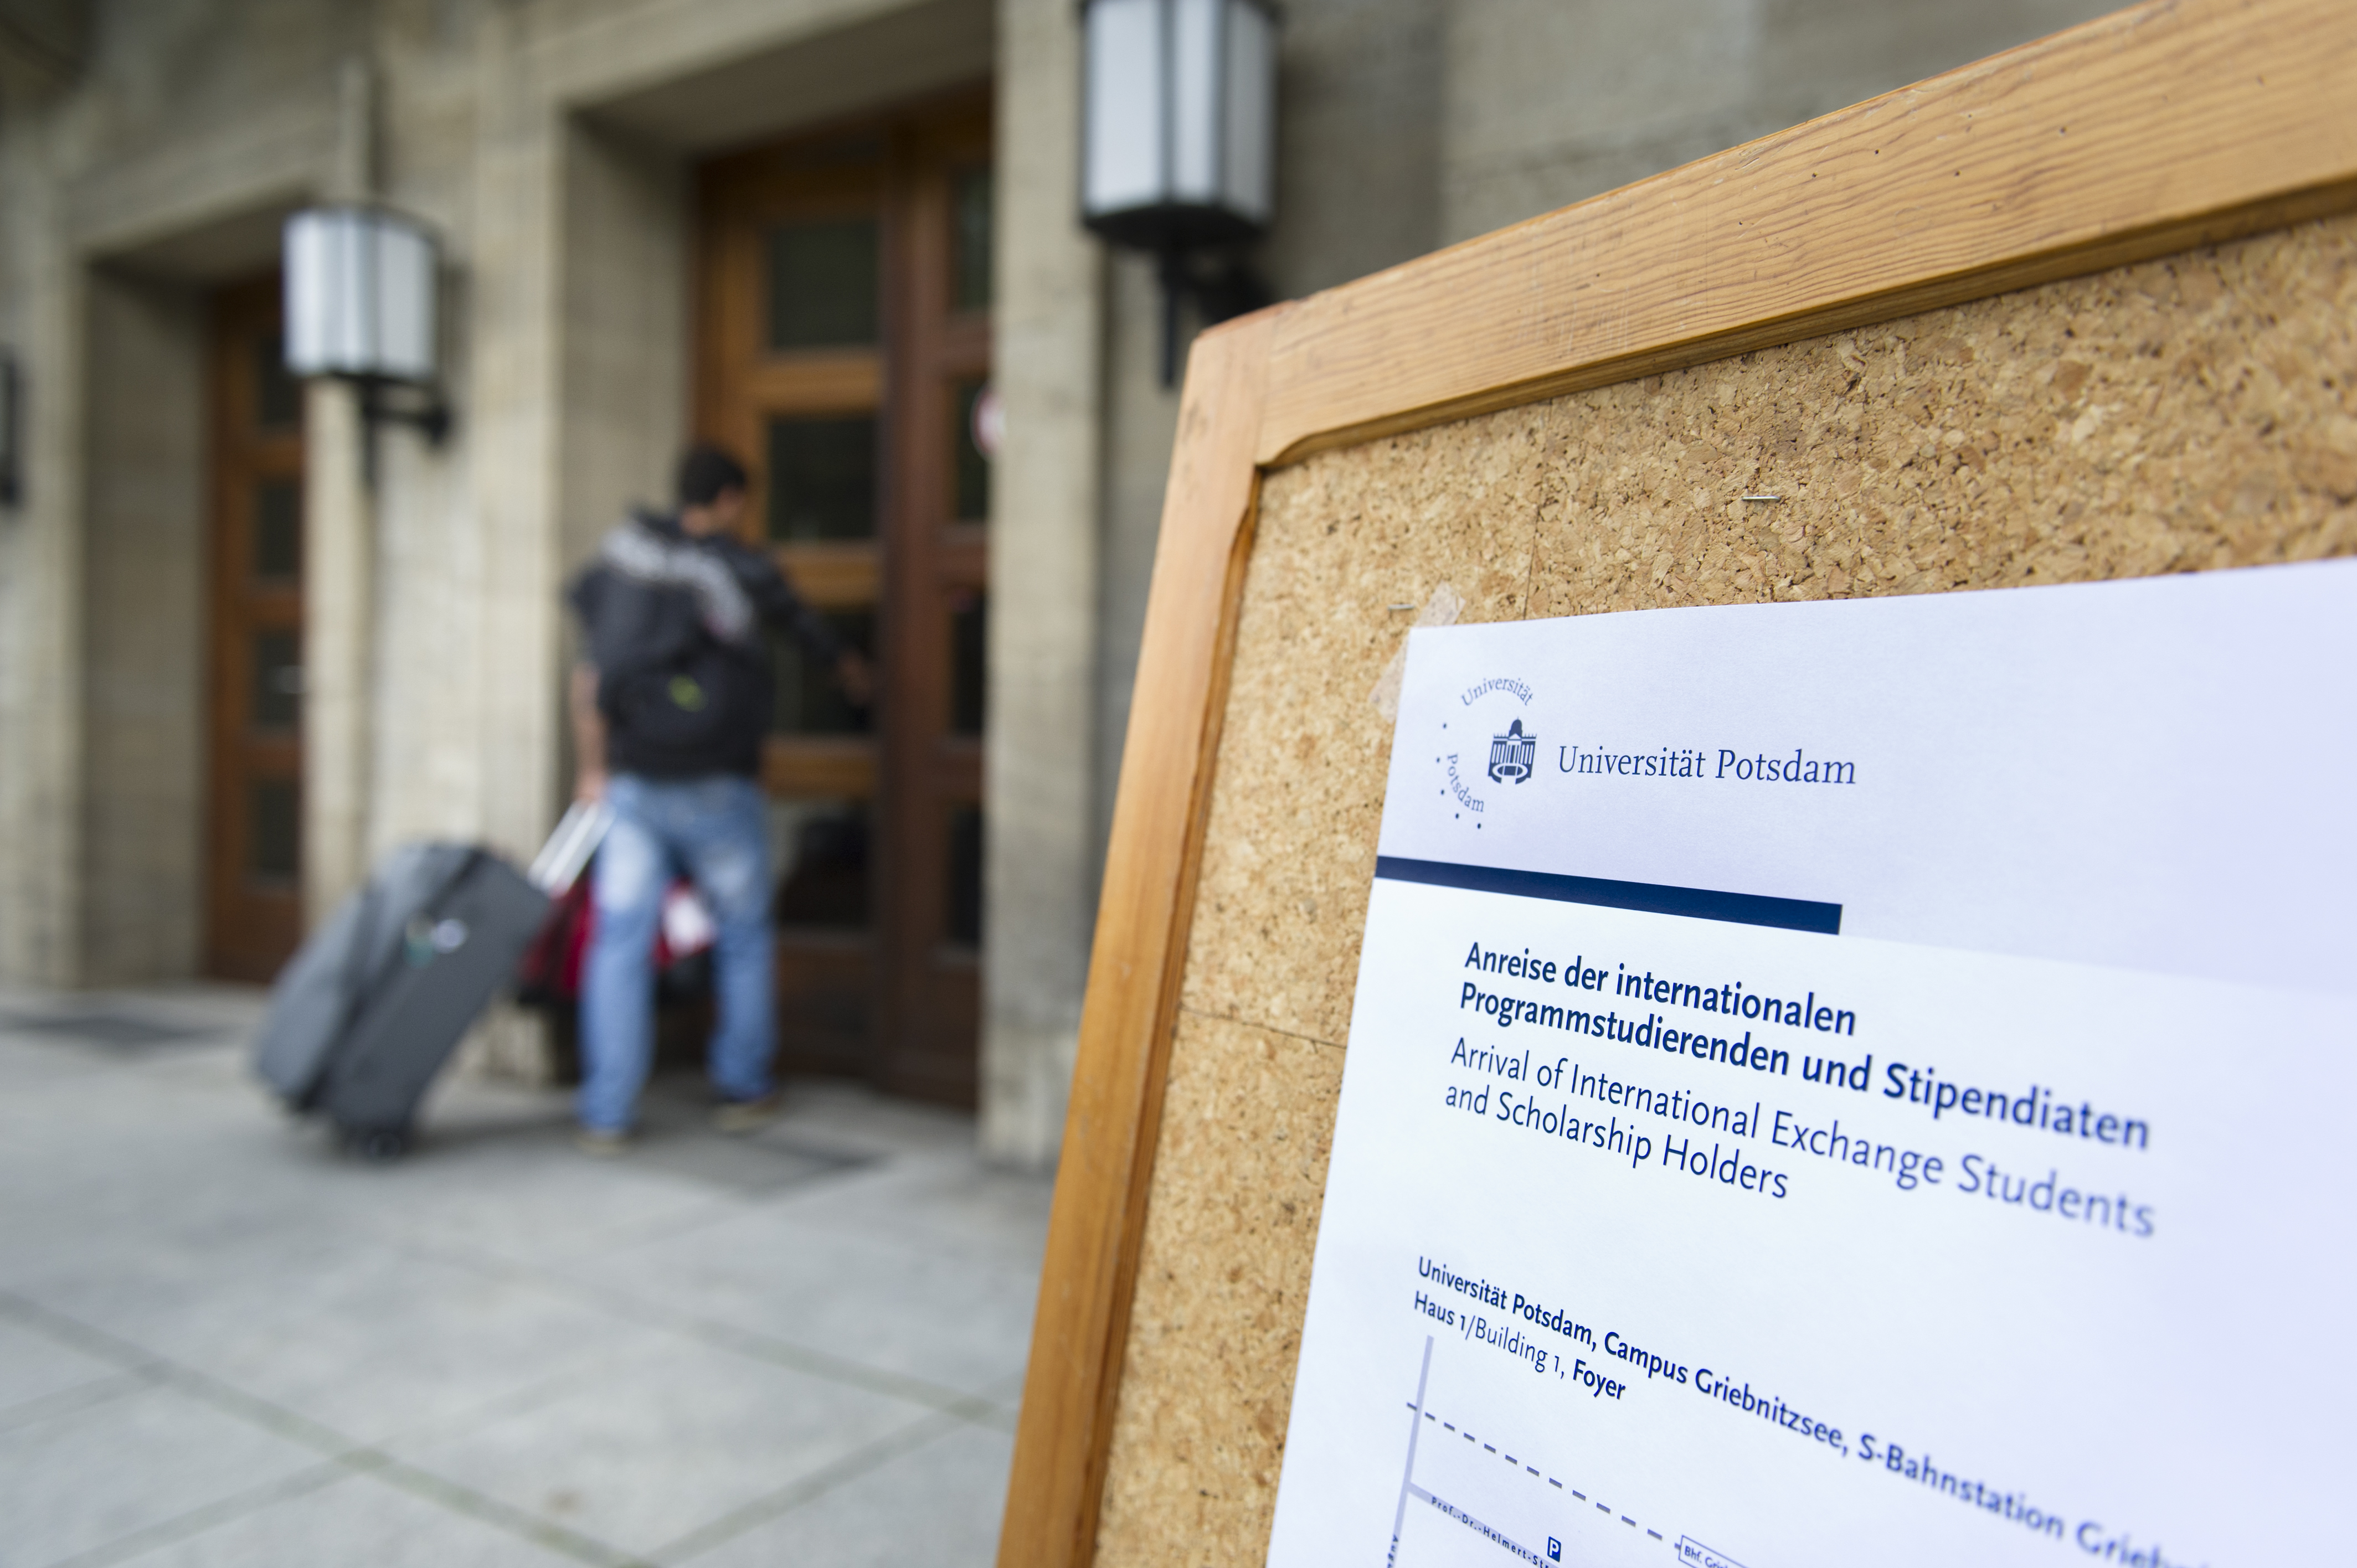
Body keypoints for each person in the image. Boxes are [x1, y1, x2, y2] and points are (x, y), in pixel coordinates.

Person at [565, 444, 870, 1152]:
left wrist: (591, 771)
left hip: (634, 782)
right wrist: (853, 674)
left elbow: (590, 677)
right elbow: (805, 629)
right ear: (730, 499)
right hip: (718, 785)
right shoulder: (738, 568)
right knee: (742, 935)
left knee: (619, 942)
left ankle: (606, 1110)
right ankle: (743, 1086)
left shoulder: (624, 558)